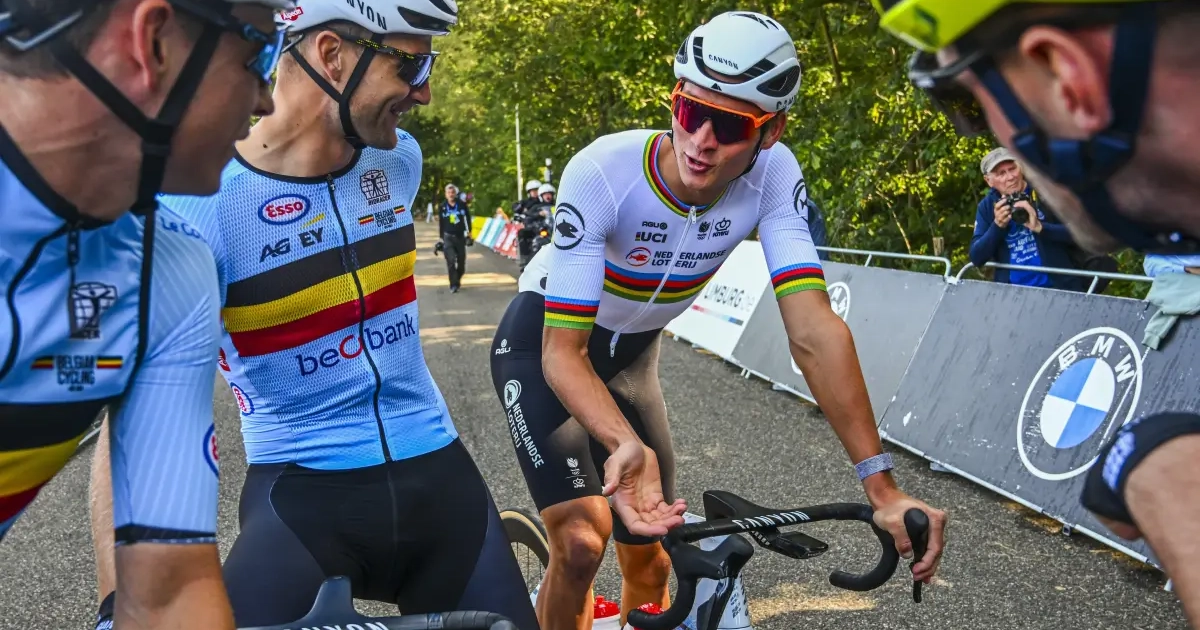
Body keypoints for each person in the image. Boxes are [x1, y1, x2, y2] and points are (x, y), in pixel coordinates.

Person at [85, 2, 539, 629]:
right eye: (411, 66)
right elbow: (137, 423)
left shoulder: (398, 159)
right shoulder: (198, 208)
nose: (425, 93)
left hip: (438, 474)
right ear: (331, 55)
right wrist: (121, 607)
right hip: (302, 495)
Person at [489, 12, 947, 629]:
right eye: (689, 111)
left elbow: (813, 333)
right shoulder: (603, 172)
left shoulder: (775, 176)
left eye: (730, 125)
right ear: (674, 100)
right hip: (544, 345)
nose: (701, 140)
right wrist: (623, 441)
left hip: (632, 361)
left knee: (651, 558)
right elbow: (562, 354)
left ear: (772, 130)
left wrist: (881, 486)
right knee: (580, 542)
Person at [872, 0, 1200, 625]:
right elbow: (979, 253)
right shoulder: (991, 208)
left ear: (1067, 77)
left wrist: (1174, 491)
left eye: (965, 104)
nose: (998, 154)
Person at [0, 0, 290, 628]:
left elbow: (167, 596)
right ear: (153, 42)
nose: (266, 100)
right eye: (259, 56)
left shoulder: (169, 273)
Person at [970, 147, 1085, 290]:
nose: (1010, 177)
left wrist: (1041, 227)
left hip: (1060, 288)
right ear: (989, 181)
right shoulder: (987, 207)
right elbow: (976, 257)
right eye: (1001, 173)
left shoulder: (1046, 192)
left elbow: (1082, 235)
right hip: (1012, 293)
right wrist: (997, 226)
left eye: (1012, 169)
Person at [439, 182, 473, 292]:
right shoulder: (442, 206)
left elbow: (467, 219)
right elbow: (441, 223)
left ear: (455, 194)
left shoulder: (462, 205)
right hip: (448, 237)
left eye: (452, 192)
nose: (451, 194)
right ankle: (453, 285)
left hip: (460, 237)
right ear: (446, 194)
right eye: (448, 192)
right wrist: (441, 238)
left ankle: (456, 279)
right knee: (451, 261)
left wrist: (469, 232)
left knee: (461, 263)